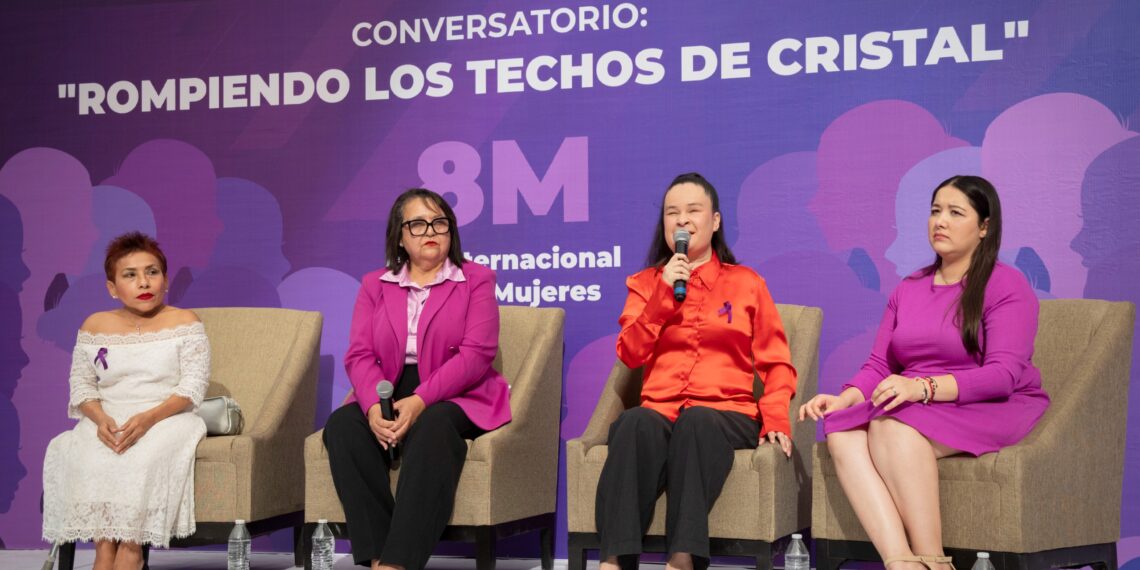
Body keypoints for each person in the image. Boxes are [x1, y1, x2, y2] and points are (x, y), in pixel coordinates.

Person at [799, 175, 1049, 570]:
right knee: (842, 430)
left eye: (955, 213)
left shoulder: (1006, 285)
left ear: (984, 227)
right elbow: (880, 365)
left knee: (889, 426)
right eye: (935, 211)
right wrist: (844, 397)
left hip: (988, 401)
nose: (940, 222)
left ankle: (934, 560)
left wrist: (923, 387)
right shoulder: (909, 287)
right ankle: (900, 561)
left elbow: (1002, 375)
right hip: (917, 399)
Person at [595, 173, 797, 570]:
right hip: (663, 409)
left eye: (693, 211)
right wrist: (661, 298)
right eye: (673, 213)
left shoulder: (747, 283)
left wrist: (775, 416)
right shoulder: (645, 284)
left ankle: (682, 559)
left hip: (727, 414)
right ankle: (614, 561)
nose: (682, 221)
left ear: (715, 221)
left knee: (698, 423)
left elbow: (777, 362)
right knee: (634, 424)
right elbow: (631, 354)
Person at [323, 188, 510, 570]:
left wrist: (422, 400)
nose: (431, 231)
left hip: (458, 391)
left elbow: (477, 354)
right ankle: (378, 557)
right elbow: (359, 354)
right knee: (342, 425)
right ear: (400, 236)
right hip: (388, 387)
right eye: (419, 223)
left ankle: (399, 563)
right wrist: (375, 406)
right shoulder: (375, 284)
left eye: (440, 223)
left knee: (433, 425)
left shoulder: (475, 279)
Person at [42, 232, 210, 570]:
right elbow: (82, 385)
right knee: (87, 450)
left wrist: (148, 419)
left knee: (143, 455)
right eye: (130, 275)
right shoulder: (95, 325)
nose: (143, 282)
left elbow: (193, 386)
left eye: (152, 272)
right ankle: (104, 548)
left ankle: (132, 549)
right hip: (109, 414)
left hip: (168, 416)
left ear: (165, 279)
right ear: (112, 287)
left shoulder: (184, 321)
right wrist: (98, 417)